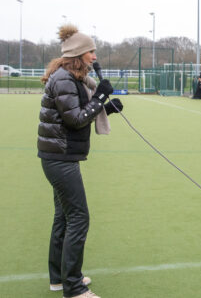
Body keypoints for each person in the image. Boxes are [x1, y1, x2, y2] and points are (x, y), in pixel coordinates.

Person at [38, 25, 123, 298]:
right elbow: (75, 119)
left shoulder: (71, 78)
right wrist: (100, 97)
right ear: (78, 54)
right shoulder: (64, 79)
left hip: (59, 156)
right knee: (78, 217)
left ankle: (59, 279)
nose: (95, 56)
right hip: (60, 159)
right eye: (91, 51)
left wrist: (106, 107)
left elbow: (77, 115)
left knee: (63, 217)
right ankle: (74, 287)